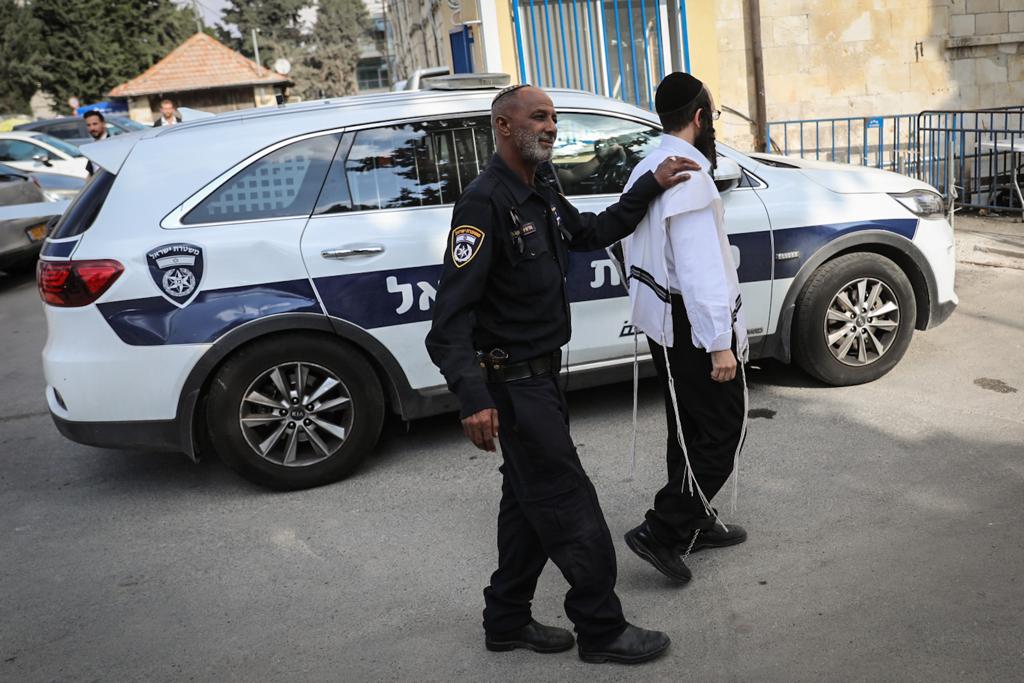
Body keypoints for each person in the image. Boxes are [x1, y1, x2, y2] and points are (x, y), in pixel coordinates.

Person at [425, 84, 698, 665]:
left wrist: (648, 185)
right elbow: (448, 319)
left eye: (555, 118)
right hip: (515, 385)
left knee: (526, 505)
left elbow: (586, 234)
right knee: (571, 505)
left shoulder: (541, 186)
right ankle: (601, 630)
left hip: (544, 376)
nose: (551, 126)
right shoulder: (484, 203)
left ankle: (505, 619)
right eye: (539, 117)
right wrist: (473, 397)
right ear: (504, 126)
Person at [620, 72, 749, 584]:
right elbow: (700, 270)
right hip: (691, 321)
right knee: (724, 429)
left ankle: (692, 517)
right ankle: (664, 529)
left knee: (688, 426)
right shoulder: (688, 173)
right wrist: (719, 344)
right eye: (711, 117)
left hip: (665, 317)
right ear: (699, 118)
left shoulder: (648, 166)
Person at [82, 111, 108, 176]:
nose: (92, 128)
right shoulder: (92, 147)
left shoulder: (114, 144)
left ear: (103, 124)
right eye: (88, 125)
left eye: (95, 124)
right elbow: (91, 174)